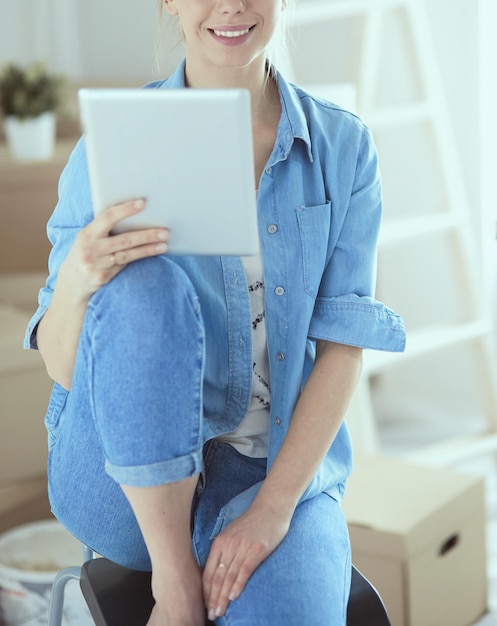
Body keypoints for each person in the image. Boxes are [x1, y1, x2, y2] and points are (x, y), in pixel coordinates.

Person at [25, 0, 405, 624]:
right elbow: (64, 368)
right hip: (120, 479)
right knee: (145, 287)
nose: (231, 5)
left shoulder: (343, 147)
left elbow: (343, 348)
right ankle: (174, 588)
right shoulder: (111, 149)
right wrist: (77, 280)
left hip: (268, 467)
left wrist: (273, 510)